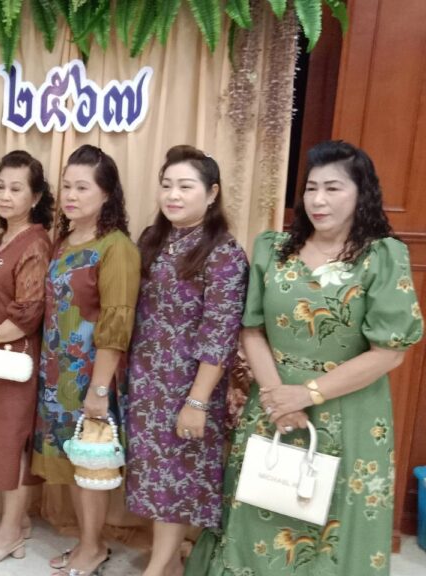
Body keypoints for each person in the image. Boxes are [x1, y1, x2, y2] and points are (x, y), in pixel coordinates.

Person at [186, 141, 423, 575]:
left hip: (348, 412)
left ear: (361, 193)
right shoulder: (273, 248)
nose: (318, 200)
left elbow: (389, 352)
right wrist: (278, 396)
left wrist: (306, 394)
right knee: (260, 509)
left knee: (332, 521)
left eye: (333, 188)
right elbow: (251, 328)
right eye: (312, 188)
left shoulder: (382, 257)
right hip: (273, 403)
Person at [125, 146, 248, 575]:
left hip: (189, 386)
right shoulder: (153, 239)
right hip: (145, 381)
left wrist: (196, 402)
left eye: (185, 186)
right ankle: (169, 563)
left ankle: (158, 568)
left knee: (175, 480)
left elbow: (220, 335)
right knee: (152, 477)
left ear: (211, 193)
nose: (173, 195)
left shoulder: (224, 253)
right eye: (167, 185)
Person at [32, 144, 140, 576]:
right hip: (57, 375)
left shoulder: (116, 248)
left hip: (92, 378)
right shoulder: (63, 242)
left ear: (107, 194)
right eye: (67, 186)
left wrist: (99, 389)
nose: (71, 196)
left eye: (83, 187)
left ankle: (93, 548)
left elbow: (117, 322)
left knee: (93, 464)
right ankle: (86, 541)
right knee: (76, 464)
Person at [0, 150, 54, 563]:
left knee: (13, 444)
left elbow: (28, 313)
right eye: (1, 187)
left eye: (16, 189)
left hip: (15, 358)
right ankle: (16, 520)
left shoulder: (34, 242)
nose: (5, 195)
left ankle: (10, 534)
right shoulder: (4, 238)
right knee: (4, 443)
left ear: (35, 197)